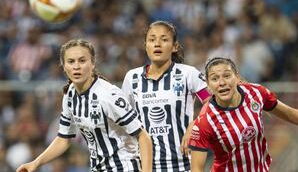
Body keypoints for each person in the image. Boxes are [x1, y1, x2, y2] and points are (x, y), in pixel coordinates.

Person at [189, 57, 298, 172]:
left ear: (237, 77)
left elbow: (289, 113)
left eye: (227, 75)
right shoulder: (205, 121)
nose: (222, 82)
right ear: (209, 86)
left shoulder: (256, 93)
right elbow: (197, 169)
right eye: (215, 78)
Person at [16, 39, 153, 172]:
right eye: (71, 61)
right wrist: (36, 163)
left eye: (82, 60)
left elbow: (143, 136)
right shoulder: (70, 95)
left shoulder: (108, 96)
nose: (76, 66)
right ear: (63, 66)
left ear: (92, 63)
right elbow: (64, 139)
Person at [121, 21, 211, 171]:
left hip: (184, 165)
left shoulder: (188, 73)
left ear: (175, 46)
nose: (157, 44)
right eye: (152, 39)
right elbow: (124, 119)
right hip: (146, 166)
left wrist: (194, 125)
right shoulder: (132, 78)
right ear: (145, 46)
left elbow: (211, 101)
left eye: (164, 39)